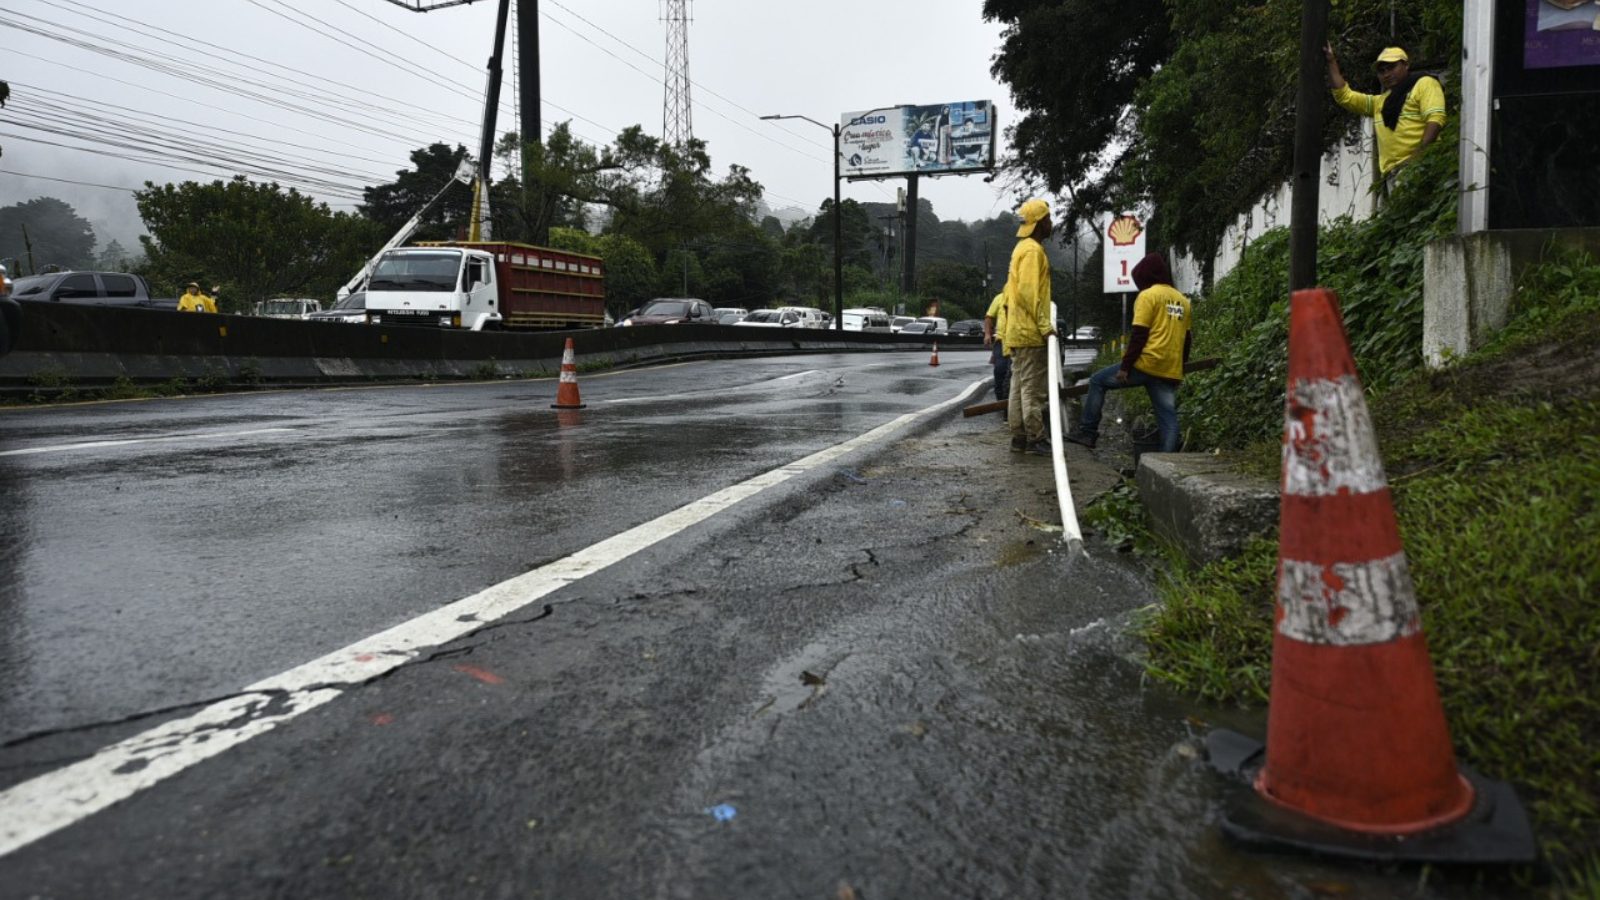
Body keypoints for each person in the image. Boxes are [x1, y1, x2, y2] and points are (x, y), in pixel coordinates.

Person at [1065, 252, 1192, 453]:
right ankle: (1168, 461)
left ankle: (1088, 432)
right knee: (1168, 420)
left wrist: (1125, 367)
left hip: (1146, 364)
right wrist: (1180, 370)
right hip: (1168, 369)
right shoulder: (1182, 301)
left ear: (1146, 275)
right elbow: (1187, 340)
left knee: (1098, 381)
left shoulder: (1148, 296)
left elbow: (1139, 335)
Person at [1324, 44, 1447, 182]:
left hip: (1420, 169)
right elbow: (1345, 97)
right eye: (1382, 71)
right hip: (1393, 175)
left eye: (1391, 67)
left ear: (1406, 65)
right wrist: (1331, 61)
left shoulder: (1424, 84)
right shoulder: (1381, 102)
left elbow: (1436, 118)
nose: (1387, 74)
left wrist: (1418, 158)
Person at [1002, 199, 1055, 455]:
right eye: (1048, 218)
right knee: (1031, 389)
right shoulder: (1033, 251)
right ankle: (1036, 437)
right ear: (1039, 223)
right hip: (1029, 331)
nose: (1051, 223)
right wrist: (1045, 326)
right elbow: (1028, 293)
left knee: (1018, 386)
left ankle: (1018, 438)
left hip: (1017, 330)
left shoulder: (1020, 248)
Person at [982, 291, 1010, 411]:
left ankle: (1012, 405)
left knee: (1015, 373)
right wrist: (987, 334)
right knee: (999, 370)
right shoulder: (1000, 298)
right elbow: (989, 317)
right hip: (1001, 340)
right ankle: (1001, 403)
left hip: (1020, 341)